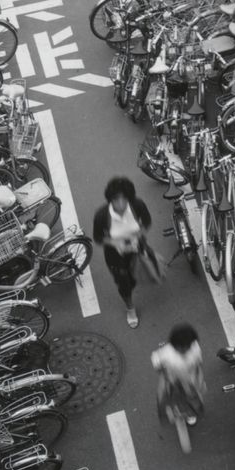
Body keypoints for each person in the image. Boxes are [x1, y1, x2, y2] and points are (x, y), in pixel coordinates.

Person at [91, 176, 157, 328]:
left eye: (124, 199)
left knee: (134, 279)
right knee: (124, 283)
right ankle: (130, 308)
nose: (120, 204)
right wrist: (115, 242)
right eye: (116, 199)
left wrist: (137, 237)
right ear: (110, 199)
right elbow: (98, 238)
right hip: (115, 256)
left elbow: (146, 222)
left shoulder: (137, 205)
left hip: (137, 249)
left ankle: (133, 282)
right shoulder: (101, 215)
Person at [151, 324, 207, 430]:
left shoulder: (195, 348)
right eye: (182, 348)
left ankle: (190, 413)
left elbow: (198, 363)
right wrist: (163, 373)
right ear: (174, 345)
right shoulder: (166, 353)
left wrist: (199, 377)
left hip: (190, 378)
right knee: (165, 396)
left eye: (188, 346)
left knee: (192, 396)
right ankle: (168, 413)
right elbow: (156, 362)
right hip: (172, 378)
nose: (186, 350)